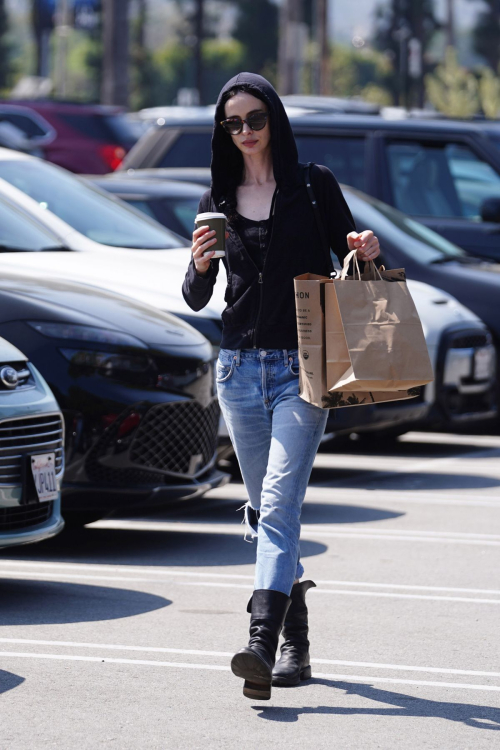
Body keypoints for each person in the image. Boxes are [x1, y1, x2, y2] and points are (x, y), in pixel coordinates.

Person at [182, 72, 380, 701]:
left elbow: (357, 266)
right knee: (268, 511)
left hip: (303, 368)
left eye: (254, 119)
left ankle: (260, 643)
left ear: (275, 119)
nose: (244, 132)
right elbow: (196, 296)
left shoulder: (313, 185)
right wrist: (198, 262)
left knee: (280, 501)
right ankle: (297, 642)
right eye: (232, 123)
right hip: (239, 369)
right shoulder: (219, 194)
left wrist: (368, 250)